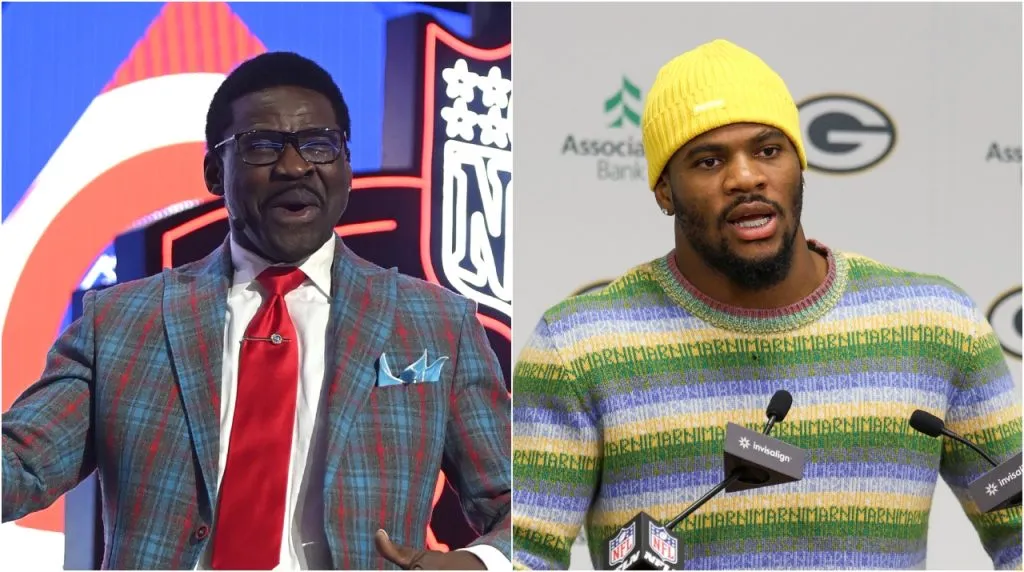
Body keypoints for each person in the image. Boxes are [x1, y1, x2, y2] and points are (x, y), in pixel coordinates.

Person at [511, 39, 1021, 570]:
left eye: (767, 150)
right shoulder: (578, 348)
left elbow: (1018, 521)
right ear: (664, 190)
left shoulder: (936, 325)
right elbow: (526, 552)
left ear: (799, 164)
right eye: (708, 160)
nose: (746, 177)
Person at [2, 52, 511, 571]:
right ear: (212, 172)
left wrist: (480, 562)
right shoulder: (121, 323)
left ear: (346, 167)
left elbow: (528, 508)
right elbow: (19, 465)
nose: (295, 167)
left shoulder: (437, 323)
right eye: (262, 147)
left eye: (319, 144)